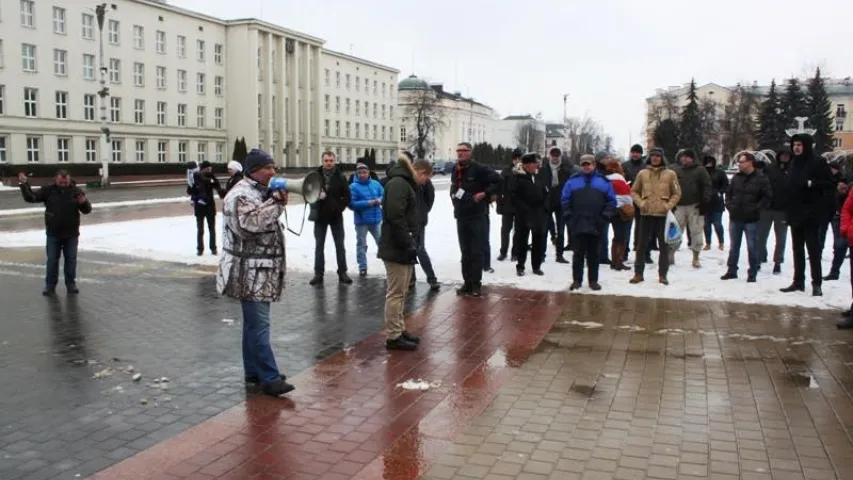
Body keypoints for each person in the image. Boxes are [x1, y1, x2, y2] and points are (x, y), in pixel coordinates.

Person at [217, 148, 294, 397]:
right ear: (253, 171)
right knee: (259, 326)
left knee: (253, 325)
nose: (273, 172)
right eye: (267, 167)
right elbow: (249, 225)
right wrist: (276, 204)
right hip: (249, 272)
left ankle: (254, 373)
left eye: (273, 167)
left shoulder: (256, 191)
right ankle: (269, 378)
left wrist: (273, 202)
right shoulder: (240, 195)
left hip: (257, 271)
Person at [378, 157, 434, 351]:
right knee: (395, 293)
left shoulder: (404, 183)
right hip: (397, 247)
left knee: (401, 293)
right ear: (421, 172)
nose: (425, 183)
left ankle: (399, 329)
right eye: (425, 179)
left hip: (403, 246)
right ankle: (393, 335)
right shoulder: (399, 184)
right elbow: (395, 216)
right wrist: (408, 242)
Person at [18, 170, 92, 296]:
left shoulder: (76, 191)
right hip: (53, 234)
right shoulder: (48, 190)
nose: (63, 184)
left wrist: (84, 203)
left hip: (71, 234)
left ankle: (71, 284)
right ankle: (50, 286)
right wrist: (24, 184)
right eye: (61, 182)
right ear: (55, 180)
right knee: (52, 260)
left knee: (71, 260)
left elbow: (87, 210)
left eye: (65, 182)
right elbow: (31, 198)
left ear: (69, 180)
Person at [780, 133, 833, 297]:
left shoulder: (818, 162)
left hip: (811, 213)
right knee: (797, 250)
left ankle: (816, 283)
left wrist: (812, 183)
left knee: (813, 250)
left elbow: (830, 183)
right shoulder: (793, 163)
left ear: (807, 146)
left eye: (800, 145)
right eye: (794, 144)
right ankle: (798, 281)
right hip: (795, 213)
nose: (796, 148)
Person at [450, 142, 502, 297]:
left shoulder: (480, 169)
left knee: (476, 251)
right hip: (461, 215)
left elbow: (499, 181)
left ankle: (476, 284)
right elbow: (454, 186)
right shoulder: (456, 169)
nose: (460, 153)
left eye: (463, 151)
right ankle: (467, 282)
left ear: (470, 153)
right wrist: (453, 196)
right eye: (458, 150)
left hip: (478, 215)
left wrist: (485, 193)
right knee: (465, 251)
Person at [562, 155, 617, 291]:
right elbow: (565, 200)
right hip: (578, 223)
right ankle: (577, 280)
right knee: (578, 254)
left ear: (594, 165)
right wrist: (569, 216)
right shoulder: (572, 182)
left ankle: (593, 280)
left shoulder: (603, 182)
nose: (586, 167)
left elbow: (611, 202)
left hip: (596, 223)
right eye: (584, 164)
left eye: (589, 164)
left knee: (594, 254)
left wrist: (604, 218)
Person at [629, 148, 681, 285]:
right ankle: (638, 274)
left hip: (663, 215)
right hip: (646, 214)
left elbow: (677, 193)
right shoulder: (642, 173)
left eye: (658, 156)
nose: (655, 158)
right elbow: (634, 191)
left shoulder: (671, 174)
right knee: (641, 245)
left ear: (662, 157)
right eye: (653, 156)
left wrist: (668, 205)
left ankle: (663, 275)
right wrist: (641, 203)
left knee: (663, 246)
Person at [720, 152, 772, 282]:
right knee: (734, 246)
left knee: (752, 247)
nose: (739, 164)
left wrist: (756, 209)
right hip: (736, 216)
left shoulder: (761, 178)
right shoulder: (737, 178)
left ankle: (752, 272)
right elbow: (728, 193)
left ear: (750, 162)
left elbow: (767, 197)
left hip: (752, 219)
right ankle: (732, 270)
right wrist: (730, 206)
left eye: (742, 161)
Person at [309, 151, 352, 286]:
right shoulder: (315, 176)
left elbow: (347, 196)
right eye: (326, 160)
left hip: (336, 216)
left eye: (331, 160)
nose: (329, 163)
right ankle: (318, 274)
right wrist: (316, 196)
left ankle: (343, 272)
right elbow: (307, 192)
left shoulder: (340, 176)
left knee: (340, 245)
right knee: (319, 246)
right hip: (320, 216)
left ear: (335, 161)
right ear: (322, 161)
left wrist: (338, 207)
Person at [669, 149, 711, 268]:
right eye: (682, 157)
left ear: (692, 158)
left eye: (687, 157)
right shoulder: (676, 170)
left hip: (695, 205)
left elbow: (707, 186)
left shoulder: (700, 170)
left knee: (696, 231)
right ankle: (671, 254)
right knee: (674, 231)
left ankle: (696, 258)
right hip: (679, 205)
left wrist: (704, 202)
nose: (684, 159)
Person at [511, 153, 549, 276]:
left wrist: (544, 207)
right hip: (523, 214)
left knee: (538, 240)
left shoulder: (537, 177)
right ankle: (520, 265)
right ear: (526, 165)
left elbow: (545, 192)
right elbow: (514, 196)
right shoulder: (517, 178)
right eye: (534, 163)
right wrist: (525, 209)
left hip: (538, 214)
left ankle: (536, 266)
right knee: (522, 240)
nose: (536, 165)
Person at [537, 147, 575, 263]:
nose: (555, 158)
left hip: (561, 202)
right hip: (547, 202)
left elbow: (570, 185)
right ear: (550, 156)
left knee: (561, 230)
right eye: (553, 156)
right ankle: (541, 254)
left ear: (560, 157)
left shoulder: (566, 169)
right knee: (544, 229)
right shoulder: (543, 169)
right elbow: (539, 185)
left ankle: (559, 254)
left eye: (557, 156)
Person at [759, 148, 792, 274]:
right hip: (767, 208)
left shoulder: (793, 170)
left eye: (787, 156)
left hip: (783, 210)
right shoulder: (770, 169)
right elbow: (762, 184)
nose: (784, 158)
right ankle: (760, 257)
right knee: (761, 236)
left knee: (781, 238)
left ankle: (778, 261)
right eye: (782, 155)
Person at [348, 163, 384, 277]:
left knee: (382, 243)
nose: (362, 175)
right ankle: (362, 267)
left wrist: (380, 200)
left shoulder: (376, 184)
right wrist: (368, 203)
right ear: (356, 174)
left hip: (376, 220)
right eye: (360, 173)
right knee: (361, 244)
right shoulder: (353, 187)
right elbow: (351, 204)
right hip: (361, 222)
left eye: (364, 172)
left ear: (368, 173)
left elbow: (385, 195)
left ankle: (388, 264)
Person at [189, 161, 226, 256]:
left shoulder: (211, 177)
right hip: (199, 207)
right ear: (202, 169)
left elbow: (218, 188)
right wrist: (193, 189)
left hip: (209, 206)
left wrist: (223, 192)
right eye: (207, 169)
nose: (209, 171)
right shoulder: (196, 177)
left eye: (210, 169)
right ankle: (200, 249)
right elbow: (189, 190)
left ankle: (213, 248)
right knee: (200, 229)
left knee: (211, 229)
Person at [604, 159, 634, 271]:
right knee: (621, 237)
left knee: (617, 236)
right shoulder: (618, 178)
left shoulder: (606, 179)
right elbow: (626, 194)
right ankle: (618, 261)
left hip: (612, 209)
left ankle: (615, 261)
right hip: (621, 209)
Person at [497, 149, 523, 262]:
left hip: (520, 206)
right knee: (505, 229)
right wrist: (499, 204)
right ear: (513, 159)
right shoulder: (506, 172)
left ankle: (515, 252)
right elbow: (499, 189)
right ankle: (503, 251)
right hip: (507, 205)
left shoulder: (524, 172)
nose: (517, 160)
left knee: (518, 230)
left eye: (519, 158)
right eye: (515, 158)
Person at [702, 155, 729, 252]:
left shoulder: (719, 172)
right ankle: (708, 243)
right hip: (705, 202)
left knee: (717, 223)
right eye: (707, 161)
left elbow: (725, 184)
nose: (709, 163)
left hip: (717, 202)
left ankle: (721, 242)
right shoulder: (702, 172)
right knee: (706, 224)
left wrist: (719, 192)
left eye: (710, 161)